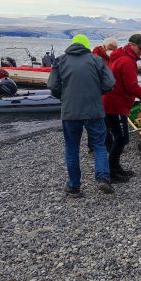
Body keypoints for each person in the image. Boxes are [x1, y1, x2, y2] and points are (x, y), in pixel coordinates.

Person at [47, 34, 116, 197]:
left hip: (70, 112)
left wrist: (65, 98)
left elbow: (53, 86)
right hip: (94, 110)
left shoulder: (60, 61)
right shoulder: (96, 60)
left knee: (72, 147)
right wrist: (97, 94)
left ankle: (74, 186)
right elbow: (110, 83)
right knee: (99, 145)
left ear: (72, 44)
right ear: (86, 45)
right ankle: (103, 178)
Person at [103, 34, 141, 182]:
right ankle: (112, 171)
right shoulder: (127, 61)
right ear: (132, 45)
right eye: (140, 48)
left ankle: (115, 168)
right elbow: (132, 86)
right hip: (116, 104)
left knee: (118, 137)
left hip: (112, 102)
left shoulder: (120, 57)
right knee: (121, 138)